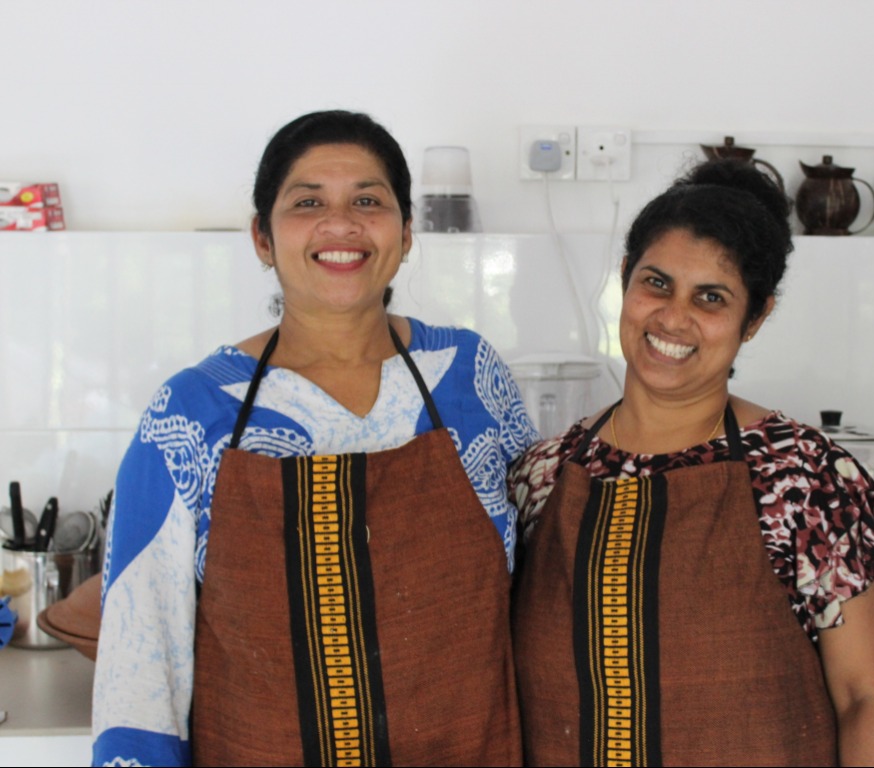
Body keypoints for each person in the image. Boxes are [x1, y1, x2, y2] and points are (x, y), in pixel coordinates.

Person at [92, 110, 539, 767]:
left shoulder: (470, 375)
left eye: (368, 200)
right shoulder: (190, 413)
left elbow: (540, 592)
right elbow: (140, 667)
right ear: (262, 238)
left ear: (405, 233)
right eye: (308, 202)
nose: (341, 224)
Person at [509, 158, 874, 767]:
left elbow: (866, 699)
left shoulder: (804, 478)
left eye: (711, 297)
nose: (673, 317)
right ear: (625, 277)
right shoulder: (542, 477)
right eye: (656, 283)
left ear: (755, 318)